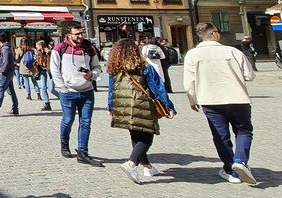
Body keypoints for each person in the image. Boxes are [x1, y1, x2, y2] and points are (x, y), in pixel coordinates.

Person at [183, 22, 257, 185]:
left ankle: (231, 170)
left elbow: (189, 82)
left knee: (220, 135)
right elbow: (250, 75)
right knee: (244, 131)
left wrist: (192, 99)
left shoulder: (192, 55)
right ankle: (240, 160)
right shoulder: (232, 51)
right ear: (214, 34)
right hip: (237, 98)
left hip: (210, 100)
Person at [106, 39, 176, 183]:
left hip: (123, 107)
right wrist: (168, 106)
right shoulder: (145, 67)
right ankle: (131, 164)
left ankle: (147, 166)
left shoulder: (115, 69)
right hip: (142, 105)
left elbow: (111, 90)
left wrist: (111, 107)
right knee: (147, 137)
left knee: (136, 134)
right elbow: (158, 88)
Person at [50, 25, 103, 166]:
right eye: (77, 34)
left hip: (87, 91)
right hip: (68, 92)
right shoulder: (59, 49)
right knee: (68, 120)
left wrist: (93, 75)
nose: (80, 36)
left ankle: (82, 152)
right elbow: (54, 69)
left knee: (85, 122)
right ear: (68, 34)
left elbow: (97, 67)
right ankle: (64, 143)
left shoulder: (89, 49)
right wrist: (62, 88)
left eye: (82, 33)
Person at [0, 34, 19, 116]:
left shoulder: (5, 49)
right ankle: (15, 108)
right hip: (10, 72)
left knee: (1, 90)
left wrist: (2, 70)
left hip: (6, 73)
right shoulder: (6, 48)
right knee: (11, 91)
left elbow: (6, 62)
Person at [34, 41, 53, 111]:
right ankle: (47, 103)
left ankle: (65, 100)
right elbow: (38, 62)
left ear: (41, 45)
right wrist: (36, 63)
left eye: (37, 45)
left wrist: (49, 53)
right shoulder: (39, 53)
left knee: (51, 89)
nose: (36, 47)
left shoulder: (48, 52)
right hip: (42, 72)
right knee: (43, 88)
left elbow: (52, 60)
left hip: (49, 71)